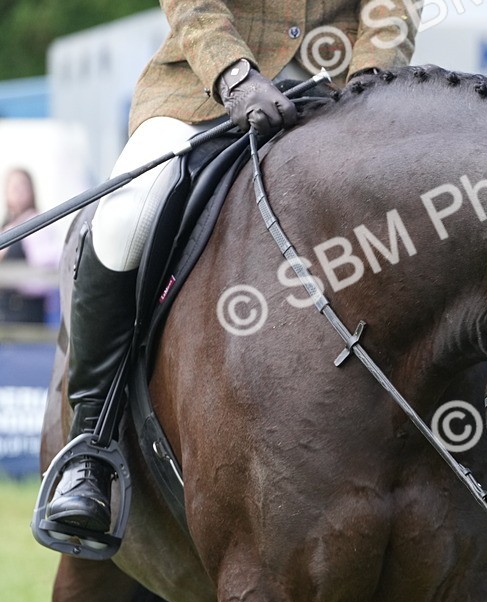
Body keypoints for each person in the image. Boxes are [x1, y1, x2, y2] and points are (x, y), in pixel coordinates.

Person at [45, 1, 419, 539]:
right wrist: (234, 74)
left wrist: (369, 83)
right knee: (127, 217)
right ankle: (91, 447)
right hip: (202, 93)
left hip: (339, 99)